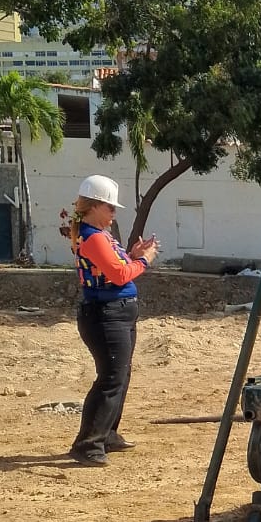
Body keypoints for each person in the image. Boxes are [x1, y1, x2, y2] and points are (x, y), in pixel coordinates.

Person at [68, 174, 159, 467]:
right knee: (110, 378)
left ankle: (106, 434)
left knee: (119, 376)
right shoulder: (94, 237)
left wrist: (132, 256)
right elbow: (120, 275)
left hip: (116, 313)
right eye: (110, 207)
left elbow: (117, 267)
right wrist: (143, 261)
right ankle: (88, 444)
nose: (113, 213)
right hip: (106, 314)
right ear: (94, 206)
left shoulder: (98, 235)